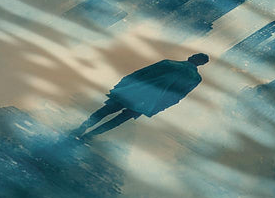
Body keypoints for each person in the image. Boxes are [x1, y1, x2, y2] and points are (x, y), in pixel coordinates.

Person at [75, 53, 209, 139]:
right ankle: (91, 135)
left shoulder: (168, 63)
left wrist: (121, 85)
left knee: (106, 110)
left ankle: (83, 127)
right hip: (149, 102)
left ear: (191, 57)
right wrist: (157, 108)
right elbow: (176, 97)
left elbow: (139, 74)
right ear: (201, 64)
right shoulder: (195, 79)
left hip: (134, 92)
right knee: (119, 120)